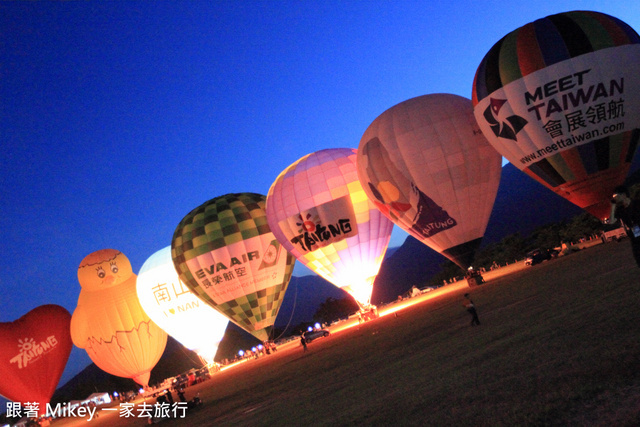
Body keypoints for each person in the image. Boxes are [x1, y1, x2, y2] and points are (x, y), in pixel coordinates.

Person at [610, 185, 640, 267]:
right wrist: (613, 207)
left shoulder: (637, 203)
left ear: (623, 195)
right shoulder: (620, 210)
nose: (615, 198)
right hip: (635, 238)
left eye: (616, 196)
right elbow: (611, 221)